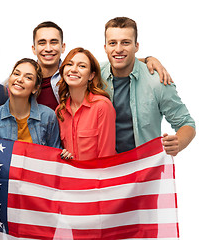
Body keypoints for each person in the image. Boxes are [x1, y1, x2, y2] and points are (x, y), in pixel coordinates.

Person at [101, 17, 196, 156]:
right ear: (105, 47)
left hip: (146, 168)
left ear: (136, 46)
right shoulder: (94, 75)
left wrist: (178, 143)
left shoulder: (158, 81)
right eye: (112, 43)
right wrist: (148, 59)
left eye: (126, 43)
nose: (118, 49)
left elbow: (186, 123)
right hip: (106, 168)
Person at [32, 21, 172, 111]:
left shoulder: (73, 74)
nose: (48, 48)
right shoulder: (22, 80)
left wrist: (148, 59)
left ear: (63, 47)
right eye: (42, 43)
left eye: (54, 42)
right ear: (34, 48)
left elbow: (116, 62)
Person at [0, 58, 61, 148]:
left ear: (35, 88)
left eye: (28, 77)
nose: (19, 79)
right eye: (16, 74)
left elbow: (55, 155)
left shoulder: (48, 116)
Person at [57, 48, 116, 160]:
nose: (73, 69)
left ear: (91, 76)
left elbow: (107, 156)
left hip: (98, 176)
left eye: (82, 66)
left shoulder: (102, 106)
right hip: (71, 176)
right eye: (69, 64)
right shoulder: (60, 111)